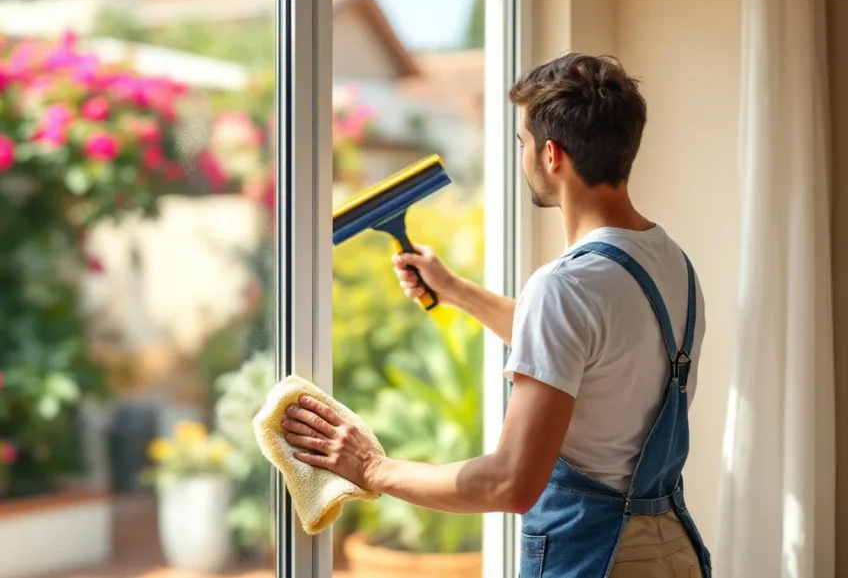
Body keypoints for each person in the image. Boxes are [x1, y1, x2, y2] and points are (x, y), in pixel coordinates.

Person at [281, 53, 712, 578]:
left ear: (551, 155)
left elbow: (511, 482)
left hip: (598, 561)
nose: (524, 155)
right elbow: (588, 351)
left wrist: (372, 467)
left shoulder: (566, 287)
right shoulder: (671, 262)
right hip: (674, 552)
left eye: (523, 142)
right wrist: (455, 289)